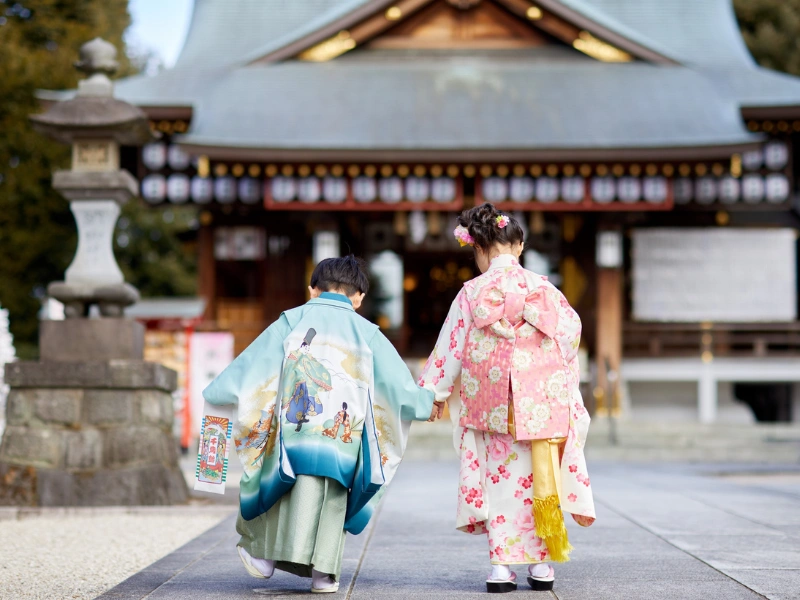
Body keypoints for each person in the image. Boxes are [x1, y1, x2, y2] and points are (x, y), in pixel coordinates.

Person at [203, 255, 440, 593]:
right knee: (332, 499)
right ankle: (324, 575)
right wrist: (427, 403)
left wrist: (217, 393)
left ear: (312, 289)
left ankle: (265, 559)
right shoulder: (368, 332)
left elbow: (251, 368)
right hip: (342, 442)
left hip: (293, 433)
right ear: (358, 297)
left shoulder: (291, 321)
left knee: (277, 488)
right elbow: (399, 386)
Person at [419, 203, 595, 593]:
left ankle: (501, 566)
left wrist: (435, 392)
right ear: (518, 247)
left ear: (480, 249)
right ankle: (542, 565)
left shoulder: (472, 292)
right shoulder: (544, 289)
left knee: (499, 479)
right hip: (542, 400)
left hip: (492, 402)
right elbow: (570, 335)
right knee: (539, 477)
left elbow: (452, 346)